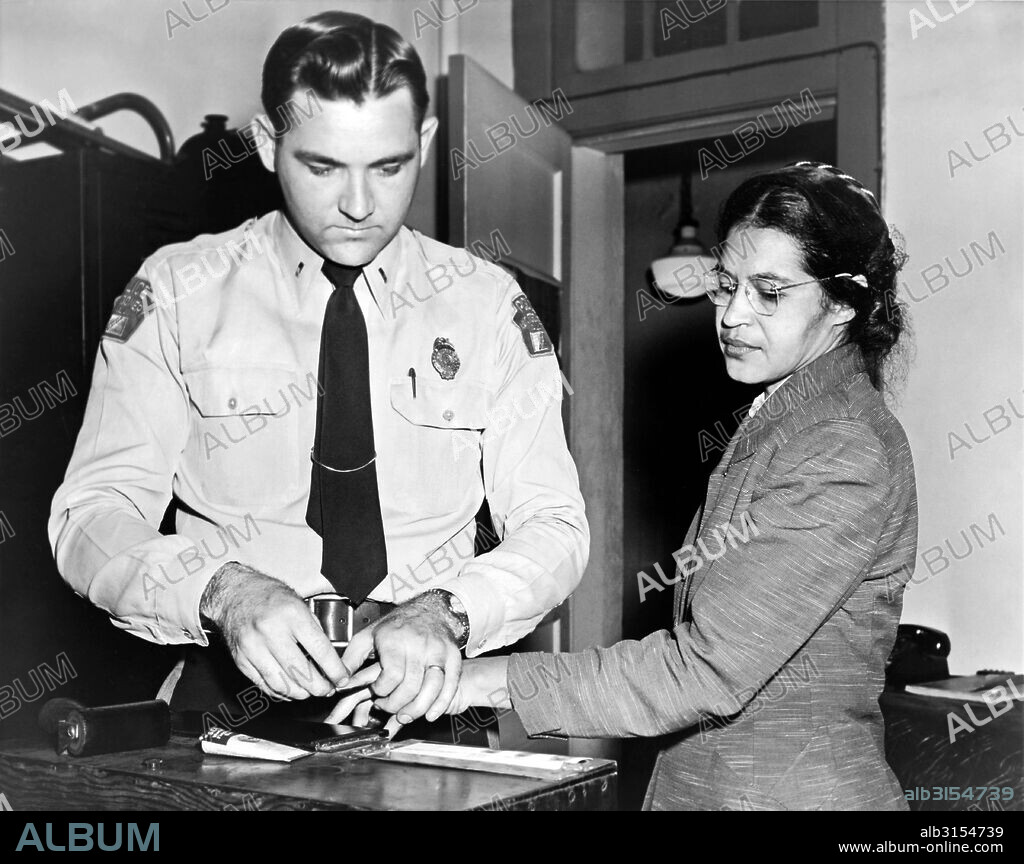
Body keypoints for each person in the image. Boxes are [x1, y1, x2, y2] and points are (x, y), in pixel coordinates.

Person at [48, 11, 588, 729]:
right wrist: (223, 591)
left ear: (424, 142)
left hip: (424, 703)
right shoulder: (180, 289)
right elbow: (91, 517)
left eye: (390, 167)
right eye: (323, 166)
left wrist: (450, 610)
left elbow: (554, 525)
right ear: (269, 143)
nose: (359, 206)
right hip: (228, 708)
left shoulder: (487, 304)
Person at [341, 162, 918, 807]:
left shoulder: (842, 445)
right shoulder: (791, 417)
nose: (732, 314)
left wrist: (476, 680)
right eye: (727, 286)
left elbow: (706, 669)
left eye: (770, 292)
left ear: (842, 302)